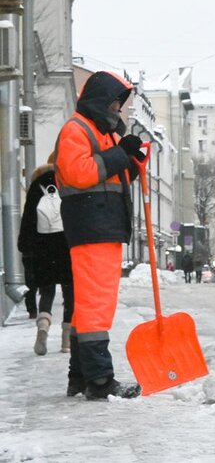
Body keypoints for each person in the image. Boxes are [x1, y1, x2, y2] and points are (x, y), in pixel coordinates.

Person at [54, 70, 143, 400]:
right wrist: (122, 154)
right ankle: (100, 380)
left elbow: (114, 176)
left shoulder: (102, 134)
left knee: (87, 305)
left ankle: (79, 376)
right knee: (96, 305)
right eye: (116, 104)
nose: (118, 111)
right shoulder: (75, 130)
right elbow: (80, 173)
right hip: (92, 227)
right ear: (101, 102)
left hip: (103, 226)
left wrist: (131, 159)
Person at [18, 164, 74, 355]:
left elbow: (28, 220)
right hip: (66, 246)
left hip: (43, 249)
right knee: (70, 293)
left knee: (47, 291)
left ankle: (42, 330)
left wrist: (25, 246)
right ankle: (66, 341)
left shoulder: (36, 188)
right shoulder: (66, 183)